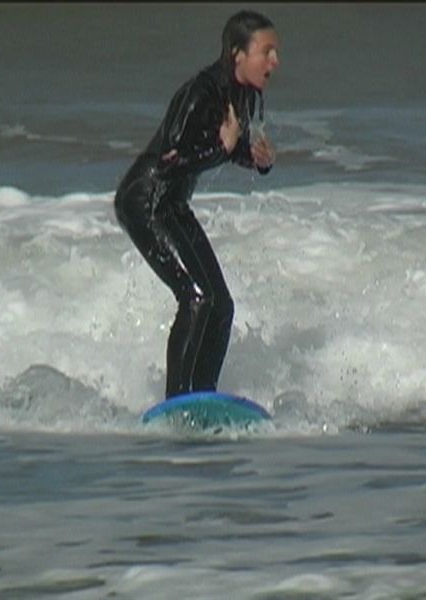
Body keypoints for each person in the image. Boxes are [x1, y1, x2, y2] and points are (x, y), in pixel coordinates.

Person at [114, 10, 280, 399]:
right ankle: (177, 402)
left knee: (221, 306)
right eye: (266, 52)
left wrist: (257, 159)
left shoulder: (244, 95)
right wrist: (223, 147)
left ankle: (204, 398)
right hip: (144, 203)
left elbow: (228, 148)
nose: (275, 62)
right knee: (194, 298)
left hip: (171, 206)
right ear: (238, 54)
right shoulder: (200, 94)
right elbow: (169, 163)